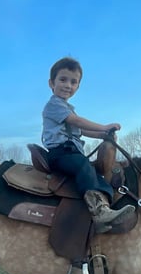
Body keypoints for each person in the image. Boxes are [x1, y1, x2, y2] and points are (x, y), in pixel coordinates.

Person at [41, 57, 135, 233]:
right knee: (83, 166)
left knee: (97, 177)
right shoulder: (54, 105)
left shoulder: (68, 108)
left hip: (71, 153)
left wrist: (102, 135)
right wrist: (104, 126)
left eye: (73, 82)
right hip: (60, 153)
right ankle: (98, 213)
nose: (67, 85)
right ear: (51, 83)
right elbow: (77, 122)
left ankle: (107, 208)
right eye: (62, 80)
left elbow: (80, 131)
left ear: (77, 87)